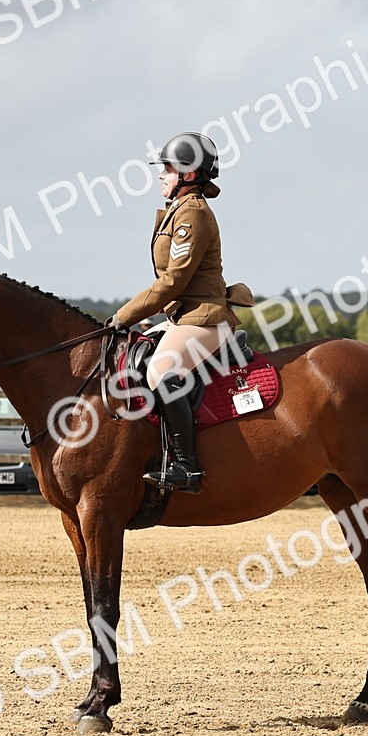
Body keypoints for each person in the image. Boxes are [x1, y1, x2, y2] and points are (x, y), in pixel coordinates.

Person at [110, 132, 253, 494]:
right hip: (183, 316)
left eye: (169, 168)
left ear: (189, 175)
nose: (161, 175)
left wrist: (122, 316)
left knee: (161, 371)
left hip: (202, 317)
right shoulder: (179, 209)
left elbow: (172, 282)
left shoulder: (192, 214)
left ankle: (187, 467)